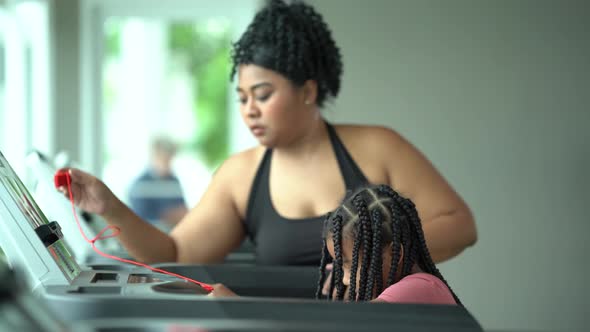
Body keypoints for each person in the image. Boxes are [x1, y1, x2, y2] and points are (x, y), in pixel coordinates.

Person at [57, 0, 476, 266]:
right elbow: (176, 254)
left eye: (262, 94)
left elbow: (458, 225)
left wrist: (378, 258)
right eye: (241, 98)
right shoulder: (240, 176)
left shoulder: (378, 147)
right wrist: (108, 205)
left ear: (308, 90)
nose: (248, 110)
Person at [208, 184, 461, 305]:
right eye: (341, 266)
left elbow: (347, 323)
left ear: (394, 253)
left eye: (351, 266)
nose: (346, 280)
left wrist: (239, 305)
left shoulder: (419, 289)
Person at [127, 137, 188, 230]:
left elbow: (182, 208)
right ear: (155, 156)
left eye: (169, 158)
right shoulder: (140, 184)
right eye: (164, 158)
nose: (167, 162)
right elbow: (141, 216)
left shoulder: (173, 180)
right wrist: (168, 215)